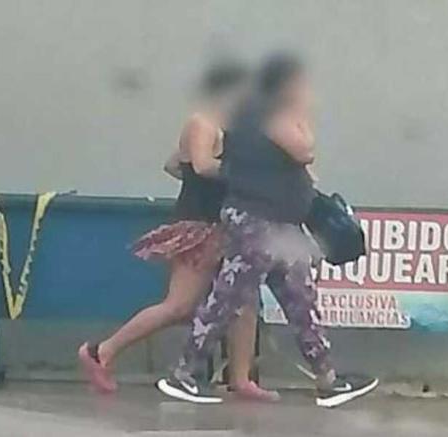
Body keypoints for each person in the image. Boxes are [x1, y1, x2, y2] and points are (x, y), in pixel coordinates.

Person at [156, 53, 379, 408]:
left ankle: (328, 380)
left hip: (281, 223)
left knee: (301, 300)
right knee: (226, 300)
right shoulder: (270, 115)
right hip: (257, 222)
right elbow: (304, 150)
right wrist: (301, 115)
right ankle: (182, 375)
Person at [78, 60, 279, 402]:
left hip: (225, 227)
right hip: (199, 227)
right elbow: (200, 165)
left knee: (245, 303)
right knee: (180, 306)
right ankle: (102, 351)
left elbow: (174, 164)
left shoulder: (229, 130)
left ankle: (241, 378)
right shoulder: (203, 123)